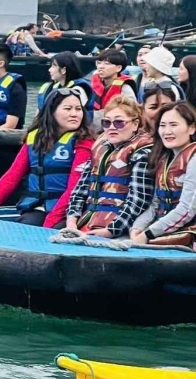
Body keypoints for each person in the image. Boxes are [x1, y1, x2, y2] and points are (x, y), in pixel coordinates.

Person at [0, 87, 94, 227]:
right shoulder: (34, 138)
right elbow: (11, 177)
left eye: (78, 109)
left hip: (69, 210)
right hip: (38, 206)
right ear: (52, 112)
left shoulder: (84, 141)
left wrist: (50, 222)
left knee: (55, 229)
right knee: (27, 225)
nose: (74, 114)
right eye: (68, 109)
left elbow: (75, 187)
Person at [65, 96, 153, 238]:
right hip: (87, 221)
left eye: (119, 122)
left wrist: (112, 230)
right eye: (106, 122)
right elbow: (80, 189)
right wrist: (71, 221)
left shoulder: (142, 153)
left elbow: (139, 200)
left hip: (120, 228)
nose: (111, 127)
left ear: (135, 124)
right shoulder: (100, 148)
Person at [132, 101, 196, 245]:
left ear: (192, 128)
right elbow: (155, 205)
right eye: (162, 125)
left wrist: (148, 234)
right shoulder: (163, 158)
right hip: (164, 228)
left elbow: (187, 210)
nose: (167, 131)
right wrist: (137, 228)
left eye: (173, 125)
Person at [89, 49, 136, 114]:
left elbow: (132, 112)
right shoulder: (94, 84)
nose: (101, 67)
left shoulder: (125, 89)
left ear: (118, 68)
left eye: (106, 63)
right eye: (99, 63)